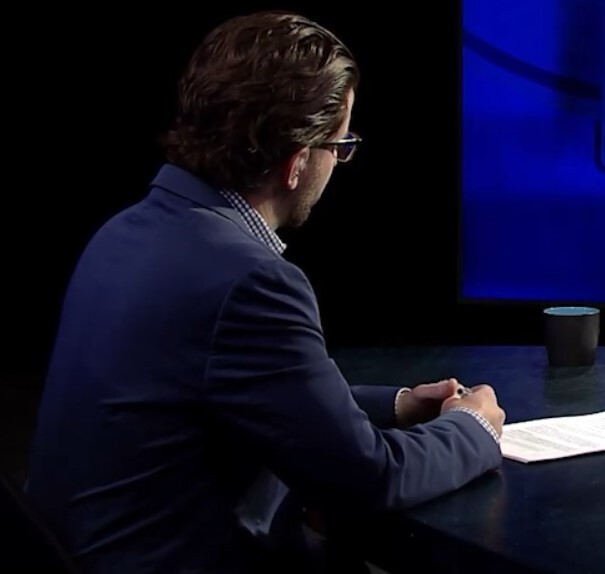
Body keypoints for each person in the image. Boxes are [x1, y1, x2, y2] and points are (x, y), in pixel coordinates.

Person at [24, 10, 505, 574]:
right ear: (298, 161)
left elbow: (241, 395)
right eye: (341, 145)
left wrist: (398, 406)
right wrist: (472, 426)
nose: (340, 162)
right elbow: (370, 478)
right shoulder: (250, 281)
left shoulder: (124, 233)